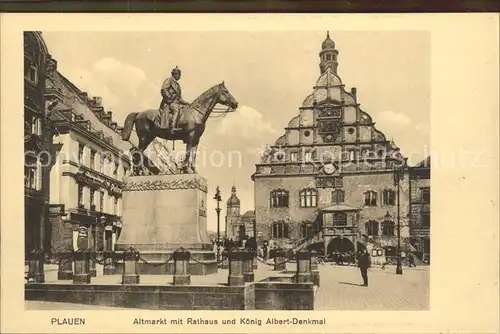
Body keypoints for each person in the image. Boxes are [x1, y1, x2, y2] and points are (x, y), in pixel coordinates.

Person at [158, 66, 190, 134]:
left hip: (175, 102)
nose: (179, 76)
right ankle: (172, 127)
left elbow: (179, 98)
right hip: (168, 102)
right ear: (175, 74)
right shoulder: (169, 80)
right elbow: (164, 90)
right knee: (176, 109)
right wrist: (170, 98)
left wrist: (185, 103)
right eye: (179, 74)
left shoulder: (177, 85)